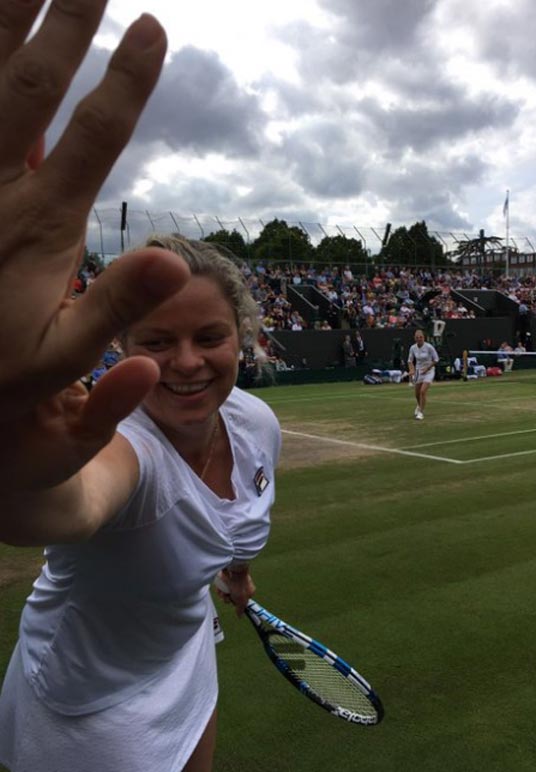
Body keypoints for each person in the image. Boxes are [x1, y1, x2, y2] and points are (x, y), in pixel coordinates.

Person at [0, 6, 281, 772]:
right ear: (122, 347)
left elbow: (230, 531)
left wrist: (236, 573)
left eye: (209, 337)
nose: (187, 362)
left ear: (244, 338)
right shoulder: (128, 449)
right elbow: (67, 505)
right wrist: (10, 471)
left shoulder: (256, 422)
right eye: (157, 342)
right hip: (86, 707)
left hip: (186, 651)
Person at [407, 329, 439, 420]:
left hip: (429, 371)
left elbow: (436, 359)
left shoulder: (429, 347)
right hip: (418, 371)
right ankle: (419, 405)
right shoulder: (413, 348)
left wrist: (427, 368)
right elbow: (410, 361)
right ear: (415, 338)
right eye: (417, 337)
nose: (419, 339)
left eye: (421, 337)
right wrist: (412, 369)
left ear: (423, 338)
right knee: (417, 393)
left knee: (422, 391)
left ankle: (421, 412)